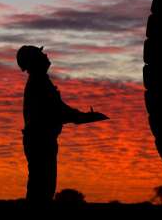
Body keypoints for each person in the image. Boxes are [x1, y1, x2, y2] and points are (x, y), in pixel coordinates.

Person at [17, 45, 108, 205]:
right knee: (41, 190)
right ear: (34, 61)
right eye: (40, 54)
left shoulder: (41, 81)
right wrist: (82, 117)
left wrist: (81, 116)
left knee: (42, 188)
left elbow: (58, 109)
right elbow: (57, 111)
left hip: (41, 140)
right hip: (40, 141)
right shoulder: (39, 83)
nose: (45, 55)